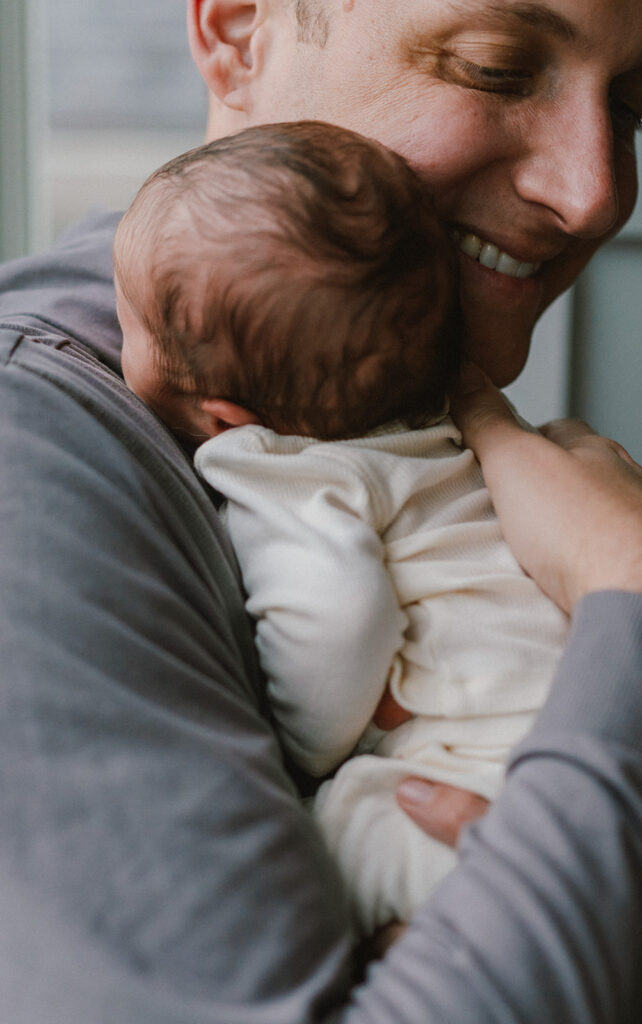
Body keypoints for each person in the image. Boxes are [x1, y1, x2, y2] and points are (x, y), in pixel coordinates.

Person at [0, 0, 642, 1019]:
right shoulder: (32, 465)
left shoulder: (355, 389)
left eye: (631, 106)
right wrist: (641, 596)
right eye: (495, 68)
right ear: (238, 34)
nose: (590, 193)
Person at [114, 119, 570, 933]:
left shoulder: (283, 468)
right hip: (576, 746)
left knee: (324, 842)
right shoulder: (437, 433)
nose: (116, 340)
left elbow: (338, 615)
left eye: (130, 328)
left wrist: (306, 749)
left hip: (481, 790)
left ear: (225, 417)